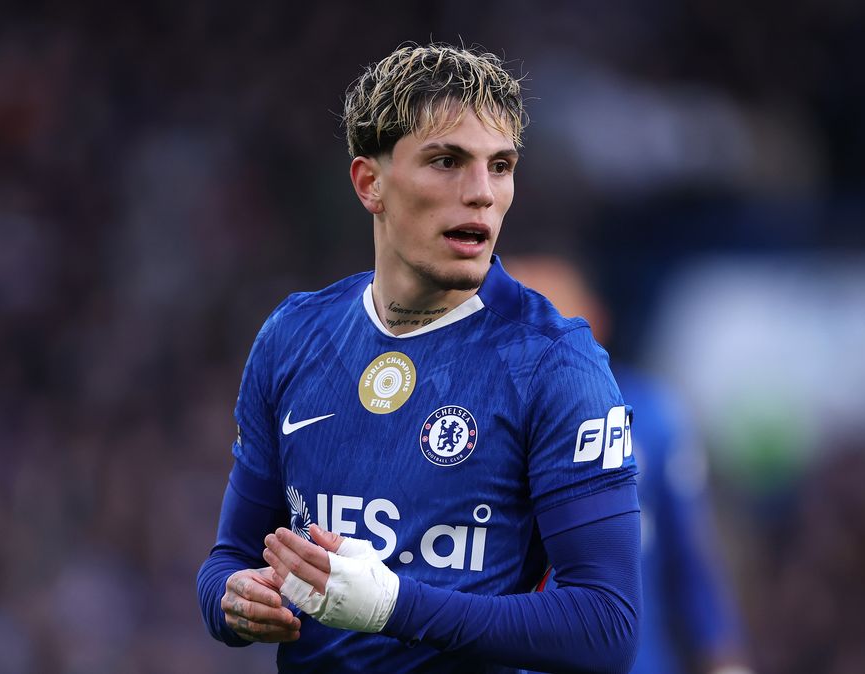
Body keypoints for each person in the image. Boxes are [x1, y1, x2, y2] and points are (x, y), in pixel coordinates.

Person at [196, 43, 641, 673]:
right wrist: (233, 601)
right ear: (369, 183)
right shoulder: (293, 336)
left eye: (500, 165)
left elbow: (606, 626)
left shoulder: (556, 364)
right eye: (447, 161)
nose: (481, 193)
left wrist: (392, 606)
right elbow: (229, 558)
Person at [504, 256, 753, 674]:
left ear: (595, 320)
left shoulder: (653, 415)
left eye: (552, 313)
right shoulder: (475, 422)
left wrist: (723, 658)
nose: (535, 335)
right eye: (520, 317)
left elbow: (688, 557)